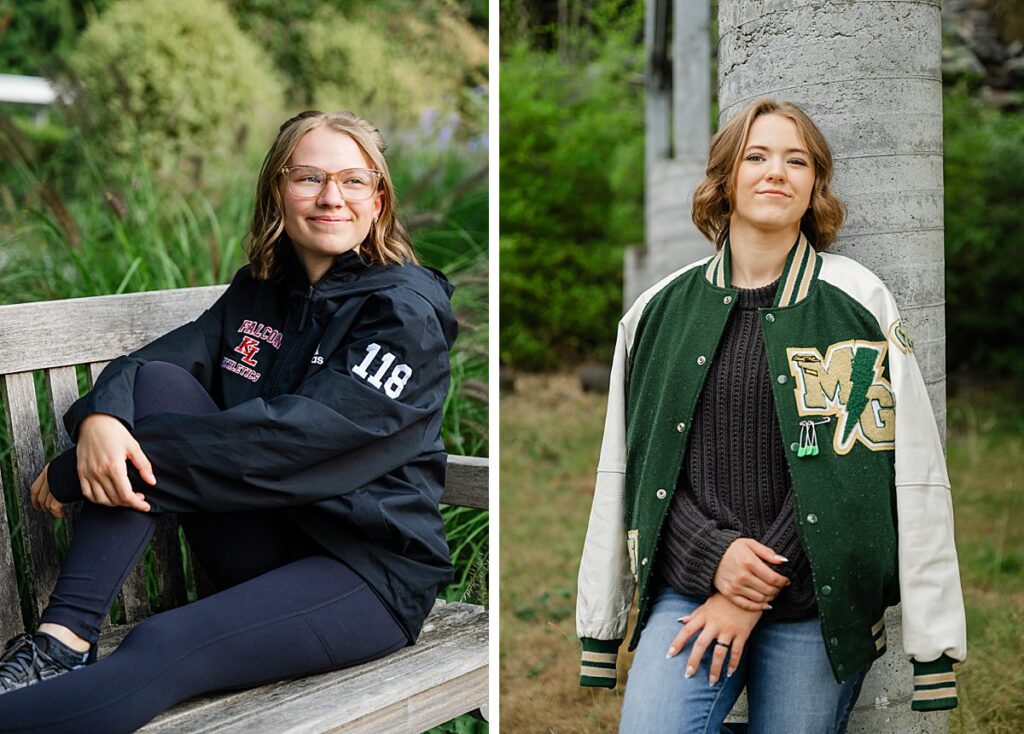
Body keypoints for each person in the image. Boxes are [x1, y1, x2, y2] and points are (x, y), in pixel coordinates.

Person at [0, 110, 458, 733]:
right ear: (277, 190)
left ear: (378, 200)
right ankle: (61, 641)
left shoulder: (401, 316)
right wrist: (99, 419)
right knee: (157, 387)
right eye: (309, 178)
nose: (331, 198)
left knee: (164, 645)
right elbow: (153, 365)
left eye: (354, 181)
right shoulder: (261, 289)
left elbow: (294, 441)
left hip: (362, 571)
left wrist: (78, 472)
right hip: (265, 539)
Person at [575, 98, 966, 733]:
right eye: (755, 156)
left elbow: (867, 468)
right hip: (691, 581)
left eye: (797, 160)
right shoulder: (656, 311)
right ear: (724, 179)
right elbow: (641, 469)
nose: (775, 172)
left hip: (817, 595)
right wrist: (715, 561)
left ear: (816, 186)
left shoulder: (857, 301)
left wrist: (750, 589)